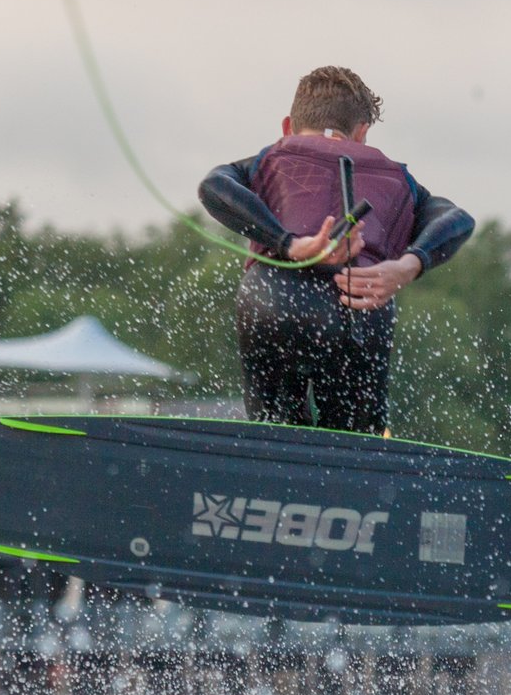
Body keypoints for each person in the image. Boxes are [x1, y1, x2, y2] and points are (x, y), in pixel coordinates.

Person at [197, 66, 474, 433]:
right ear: (361, 133)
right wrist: (408, 266)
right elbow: (456, 219)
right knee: (352, 445)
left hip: (274, 300)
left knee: (275, 429)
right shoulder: (396, 176)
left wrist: (290, 245)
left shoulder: (272, 156)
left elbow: (214, 186)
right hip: (360, 306)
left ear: (288, 126)